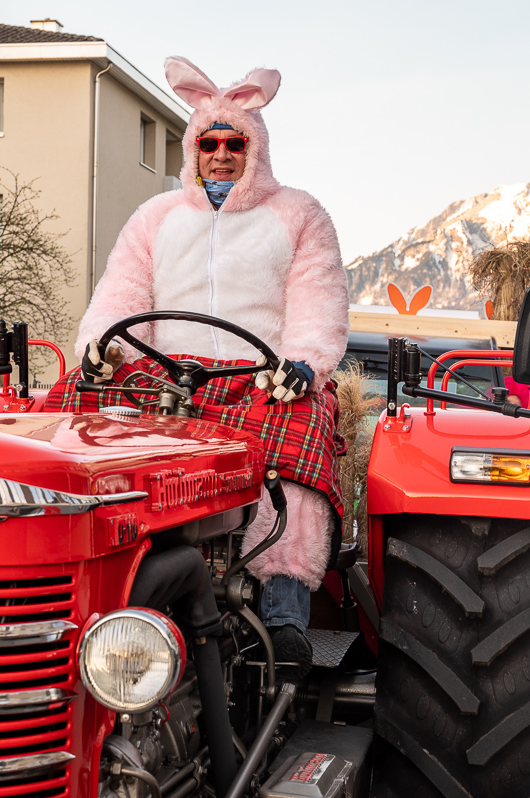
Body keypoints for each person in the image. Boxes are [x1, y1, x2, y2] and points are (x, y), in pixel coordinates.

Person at [47, 56, 349, 681]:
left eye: (233, 142)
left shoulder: (299, 215)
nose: (219, 154)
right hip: (164, 375)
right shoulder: (155, 217)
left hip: (257, 376)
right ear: (193, 148)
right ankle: (73, 583)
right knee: (68, 417)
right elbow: (121, 293)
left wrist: (305, 363)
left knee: (298, 432)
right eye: (208, 142)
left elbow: (317, 297)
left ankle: (286, 610)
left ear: (254, 148)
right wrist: (102, 347)